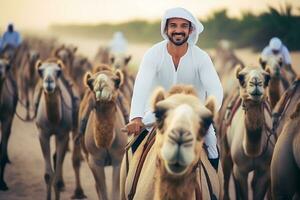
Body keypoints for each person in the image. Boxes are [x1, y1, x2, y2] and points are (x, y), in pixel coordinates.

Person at [124, 7, 223, 170]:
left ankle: (213, 190)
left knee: (211, 141)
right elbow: (141, 87)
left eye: (184, 26)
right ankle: (132, 187)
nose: (178, 30)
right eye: (174, 25)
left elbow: (215, 90)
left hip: (194, 114)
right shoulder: (153, 54)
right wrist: (136, 117)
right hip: (159, 113)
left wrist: (205, 115)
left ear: (191, 30)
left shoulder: (201, 57)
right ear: (166, 29)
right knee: (138, 138)